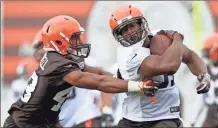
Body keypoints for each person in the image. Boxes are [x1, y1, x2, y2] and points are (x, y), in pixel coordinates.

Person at [3, 15, 158, 128]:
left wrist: (124, 77)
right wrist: (137, 87)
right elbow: (99, 83)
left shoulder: (61, 57)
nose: (80, 42)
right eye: (75, 38)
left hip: (42, 122)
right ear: (58, 41)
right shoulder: (57, 64)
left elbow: (98, 73)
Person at [108, 5, 211, 127]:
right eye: (124, 30)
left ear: (142, 23)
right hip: (133, 119)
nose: (130, 32)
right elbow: (170, 66)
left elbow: (190, 56)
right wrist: (177, 38)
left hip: (165, 116)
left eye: (131, 26)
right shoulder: (128, 57)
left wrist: (203, 74)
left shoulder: (159, 37)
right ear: (119, 35)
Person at [191, 32, 218, 127]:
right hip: (210, 118)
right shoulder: (205, 71)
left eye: (207, 51)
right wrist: (194, 119)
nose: (205, 54)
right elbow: (201, 99)